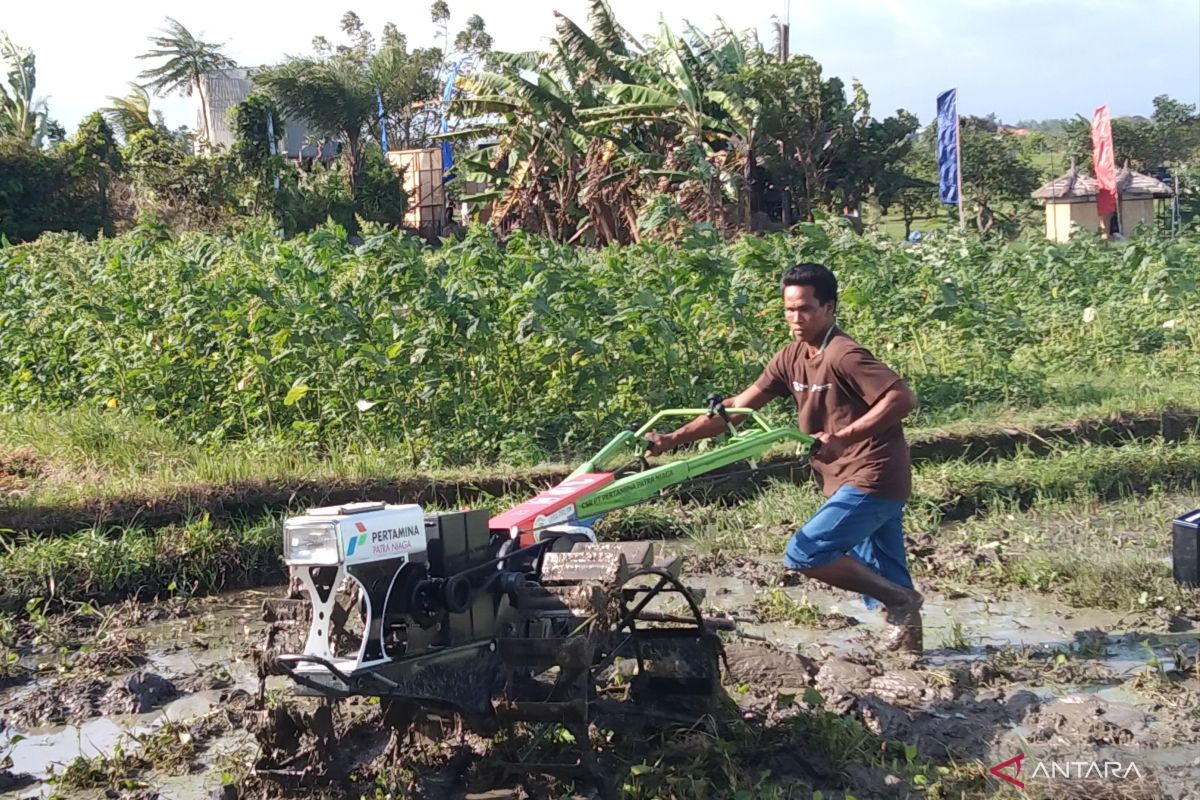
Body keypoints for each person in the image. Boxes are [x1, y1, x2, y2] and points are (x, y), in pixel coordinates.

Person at [644, 263, 924, 653]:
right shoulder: (791, 357)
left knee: (806, 552)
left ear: (829, 308)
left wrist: (844, 437)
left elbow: (902, 398)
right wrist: (674, 437)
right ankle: (910, 660)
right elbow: (738, 409)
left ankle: (901, 605)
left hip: (873, 476)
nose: (796, 318)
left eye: (805, 309)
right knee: (884, 573)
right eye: (789, 309)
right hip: (842, 478)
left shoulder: (844, 354)